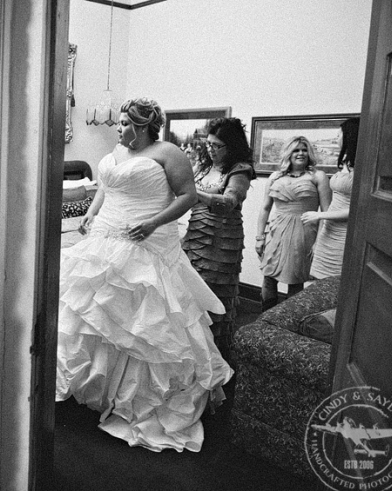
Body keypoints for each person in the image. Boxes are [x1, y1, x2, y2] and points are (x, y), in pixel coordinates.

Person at [56, 97, 233, 453]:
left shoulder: (168, 152)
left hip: (145, 240)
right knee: (92, 310)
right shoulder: (116, 152)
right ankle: (93, 389)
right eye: (119, 123)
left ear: (141, 125)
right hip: (105, 236)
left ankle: (137, 399)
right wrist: (91, 212)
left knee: (142, 319)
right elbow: (106, 186)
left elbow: (187, 195)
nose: (118, 129)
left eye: (123, 123)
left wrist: (152, 223)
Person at [181, 118, 256, 360]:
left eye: (217, 146)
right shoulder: (202, 167)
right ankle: (192, 350)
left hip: (222, 238)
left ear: (232, 146)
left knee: (215, 291)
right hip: (196, 233)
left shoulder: (240, 170)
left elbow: (227, 203)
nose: (211, 150)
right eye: (209, 144)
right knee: (190, 289)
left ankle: (215, 357)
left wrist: (192, 193)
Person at [255, 136, 331, 311]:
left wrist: (320, 243)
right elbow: (265, 208)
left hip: (303, 232)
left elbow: (327, 214)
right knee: (268, 276)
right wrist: (259, 237)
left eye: (304, 150)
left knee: (295, 280)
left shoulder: (317, 176)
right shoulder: (275, 176)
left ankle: (290, 321)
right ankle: (266, 318)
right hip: (276, 231)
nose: (301, 153)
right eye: (296, 150)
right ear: (288, 153)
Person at [301, 117, 360, 279]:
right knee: (317, 277)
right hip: (329, 229)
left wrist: (320, 215)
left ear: (350, 136)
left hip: (344, 233)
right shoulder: (346, 164)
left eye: (339, 135)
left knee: (334, 281)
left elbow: (358, 208)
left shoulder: (363, 167)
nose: (336, 139)